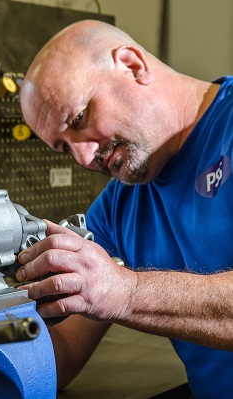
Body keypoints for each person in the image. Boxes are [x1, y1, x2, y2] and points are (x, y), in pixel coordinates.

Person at [16, 19, 233, 398]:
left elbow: (117, 292)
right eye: (65, 147)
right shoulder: (116, 209)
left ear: (133, 65)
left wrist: (126, 292)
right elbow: (62, 357)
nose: (84, 157)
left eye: (79, 119)